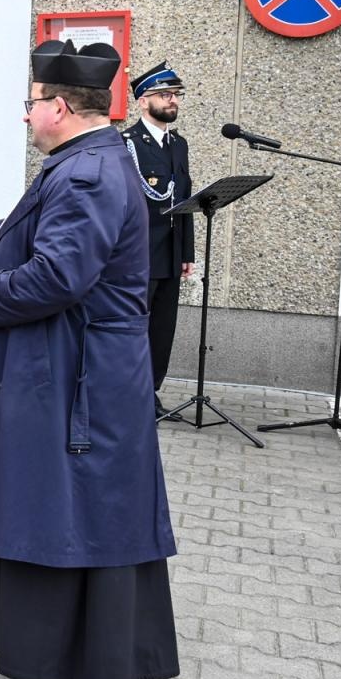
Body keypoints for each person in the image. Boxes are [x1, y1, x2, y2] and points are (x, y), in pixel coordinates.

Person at [0, 38, 178, 679]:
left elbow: (60, 273)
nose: (24, 116)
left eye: (29, 105)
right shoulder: (93, 159)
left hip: (77, 374)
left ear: (58, 105)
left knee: (65, 504)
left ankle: (58, 652)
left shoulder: (83, 172)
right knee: (69, 501)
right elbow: (44, 233)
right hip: (79, 366)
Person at [121, 61, 194, 418]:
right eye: (165, 95)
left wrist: (187, 251)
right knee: (134, 326)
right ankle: (129, 395)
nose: (173, 101)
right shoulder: (129, 144)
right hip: (139, 253)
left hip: (170, 252)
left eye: (177, 95)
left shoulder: (178, 145)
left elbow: (185, 199)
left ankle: (150, 391)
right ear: (141, 101)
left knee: (162, 328)